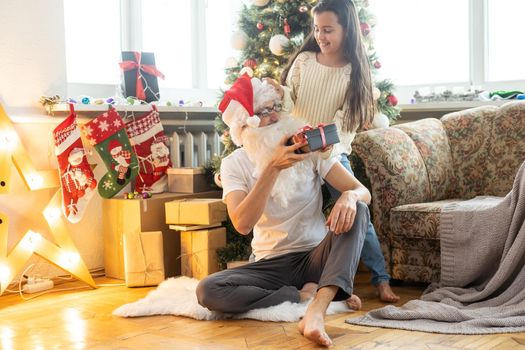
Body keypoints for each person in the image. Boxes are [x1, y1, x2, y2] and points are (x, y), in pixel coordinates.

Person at [197, 74, 372, 347]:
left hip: (315, 257)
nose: (274, 118)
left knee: (359, 209)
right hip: (271, 264)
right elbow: (242, 223)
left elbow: (363, 192)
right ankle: (301, 296)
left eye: (274, 108)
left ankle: (317, 310)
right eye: (262, 113)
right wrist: (273, 167)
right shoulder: (234, 165)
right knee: (208, 290)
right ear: (244, 126)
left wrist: (349, 196)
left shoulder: (309, 150)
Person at [266, 0, 399, 303]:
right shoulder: (304, 62)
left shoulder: (353, 74)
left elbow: (344, 128)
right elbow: (290, 102)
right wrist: (280, 92)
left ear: (346, 30)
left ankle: (381, 279)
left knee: (357, 213)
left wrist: (325, 150)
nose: (320, 36)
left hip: (330, 154)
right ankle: (292, 272)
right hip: (297, 150)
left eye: (328, 30)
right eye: (316, 29)